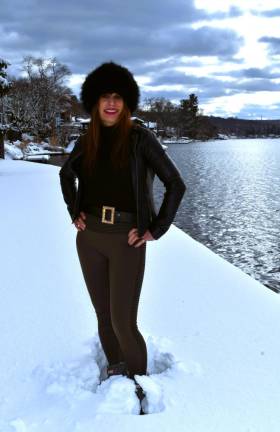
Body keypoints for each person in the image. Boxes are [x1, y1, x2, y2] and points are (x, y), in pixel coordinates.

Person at [59, 61, 186, 414]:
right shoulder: (87, 140)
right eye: (105, 97)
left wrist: (155, 229)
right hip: (90, 240)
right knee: (102, 316)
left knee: (122, 321)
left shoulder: (140, 139)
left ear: (127, 103)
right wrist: (75, 212)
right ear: (95, 102)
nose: (111, 103)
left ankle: (139, 386)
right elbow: (65, 176)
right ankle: (117, 372)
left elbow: (176, 184)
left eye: (118, 97)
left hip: (126, 241)